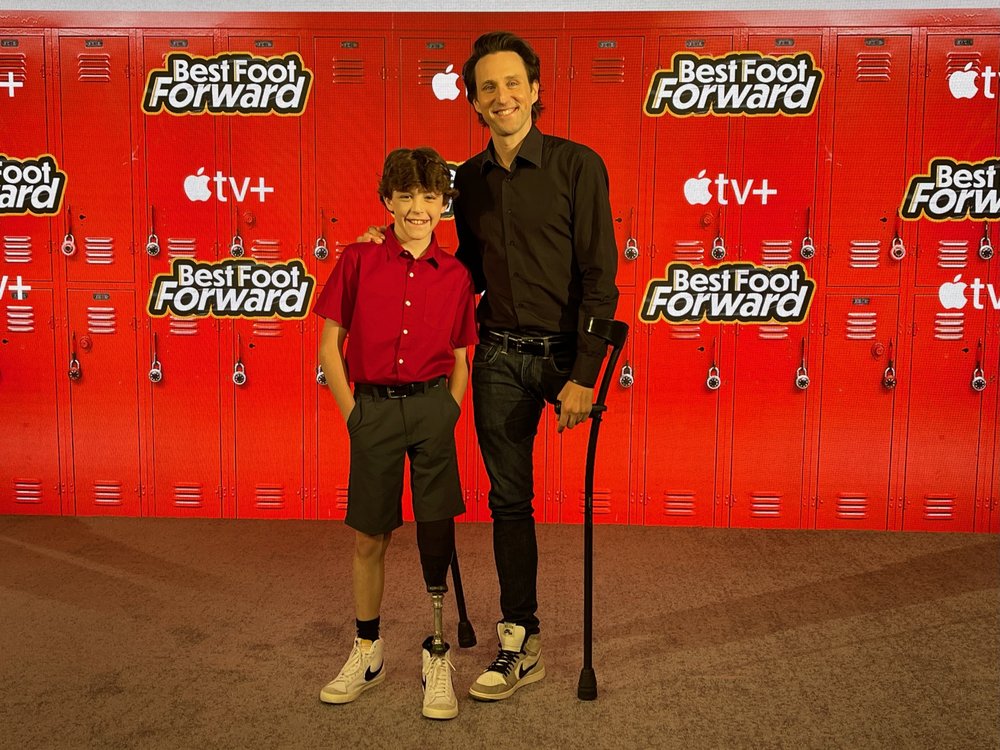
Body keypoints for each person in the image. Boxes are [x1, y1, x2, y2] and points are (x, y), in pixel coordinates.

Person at [360, 31, 619, 702]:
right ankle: (519, 640)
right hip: (499, 355)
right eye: (487, 88)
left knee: (519, 499)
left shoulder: (577, 166)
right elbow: (462, 269)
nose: (501, 96)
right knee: (509, 501)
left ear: (534, 89)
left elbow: (600, 279)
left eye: (513, 83)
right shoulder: (466, 181)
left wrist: (584, 375)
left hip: (563, 357)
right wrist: (388, 249)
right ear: (474, 102)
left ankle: (518, 635)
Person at [315, 147, 478, 720]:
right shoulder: (358, 258)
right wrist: (353, 415)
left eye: (429, 197)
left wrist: (450, 411)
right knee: (370, 536)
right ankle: (367, 649)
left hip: (433, 408)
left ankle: (437, 655)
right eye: (405, 195)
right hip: (375, 413)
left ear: (443, 205)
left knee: (437, 533)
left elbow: (462, 355)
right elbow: (328, 348)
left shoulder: (456, 273)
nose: (417, 207)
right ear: (387, 200)